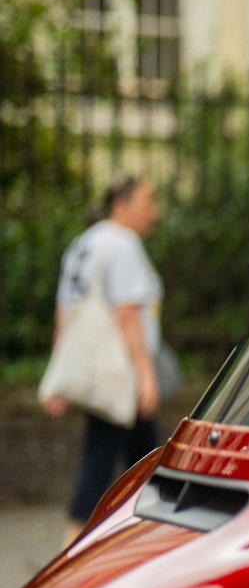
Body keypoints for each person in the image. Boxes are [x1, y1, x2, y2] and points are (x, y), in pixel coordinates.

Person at [40, 174, 166, 546]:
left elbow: (65, 312)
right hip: (118, 373)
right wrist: (146, 374)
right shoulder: (123, 243)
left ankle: (145, 545)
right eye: (147, 202)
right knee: (108, 463)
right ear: (121, 205)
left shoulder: (84, 243)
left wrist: (58, 373)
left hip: (98, 370)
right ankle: (70, 554)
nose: (154, 211)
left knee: (145, 461)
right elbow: (128, 313)